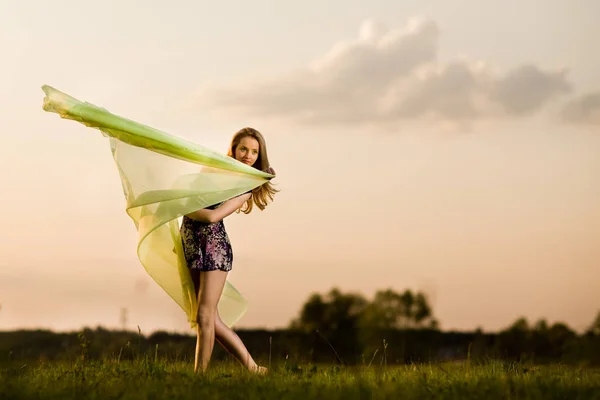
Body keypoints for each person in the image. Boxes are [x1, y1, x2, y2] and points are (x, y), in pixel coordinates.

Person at [180, 127, 278, 374]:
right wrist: (181, 203)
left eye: (254, 152)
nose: (248, 155)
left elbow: (213, 216)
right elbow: (188, 194)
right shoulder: (216, 171)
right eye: (244, 149)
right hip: (192, 245)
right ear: (233, 149)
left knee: (204, 316)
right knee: (209, 318)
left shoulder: (244, 188)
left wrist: (181, 206)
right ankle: (253, 368)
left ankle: (198, 378)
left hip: (214, 249)